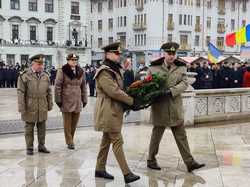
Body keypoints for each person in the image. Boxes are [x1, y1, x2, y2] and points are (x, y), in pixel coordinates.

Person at [147, 42, 205, 172]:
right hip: (160, 107)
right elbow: (147, 84)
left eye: (174, 53)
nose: (172, 56)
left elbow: (184, 83)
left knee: (181, 136)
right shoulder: (153, 68)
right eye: (169, 53)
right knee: (156, 135)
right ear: (164, 54)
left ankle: (190, 162)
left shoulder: (181, 67)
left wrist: (171, 91)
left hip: (174, 106)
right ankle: (151, 160)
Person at [94, 42, 140, 184]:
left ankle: (99, 169)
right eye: (116, 53)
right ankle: (127, 173)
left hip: (113, 108)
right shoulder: (104, 71)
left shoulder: (113, 69)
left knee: (106, 140)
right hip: (108, 109)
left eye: (119, 53)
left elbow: (120, 88)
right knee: (117, 141)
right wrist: (131, 101)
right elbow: (113, 91)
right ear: (108, 54)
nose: (118, 56)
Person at [17, 54, 53, 155]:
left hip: (42, 104)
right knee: (29, 128)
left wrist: (50, 104)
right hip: (30, 104)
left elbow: (49, 91)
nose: (41, 66)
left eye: (42, 64)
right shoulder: (24, 75)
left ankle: (41, 145)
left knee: (42, 127)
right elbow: (20, 92)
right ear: (33, 64)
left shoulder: (45, 76)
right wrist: (21, 106)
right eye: (39, 64)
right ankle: (29, 147)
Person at [55, 53, 87, 150]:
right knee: (67, 123)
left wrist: (84, 99)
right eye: (72, 60)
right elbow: (57, 86)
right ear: (68, 60)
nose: (74, 61)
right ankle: (69, 141)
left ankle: (71, 139)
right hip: (66, 100)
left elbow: (84, 86)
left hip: (77, 100)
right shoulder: (62, 70)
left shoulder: (81, 71)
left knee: (74, 123)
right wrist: (58, 100)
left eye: (75, 60)